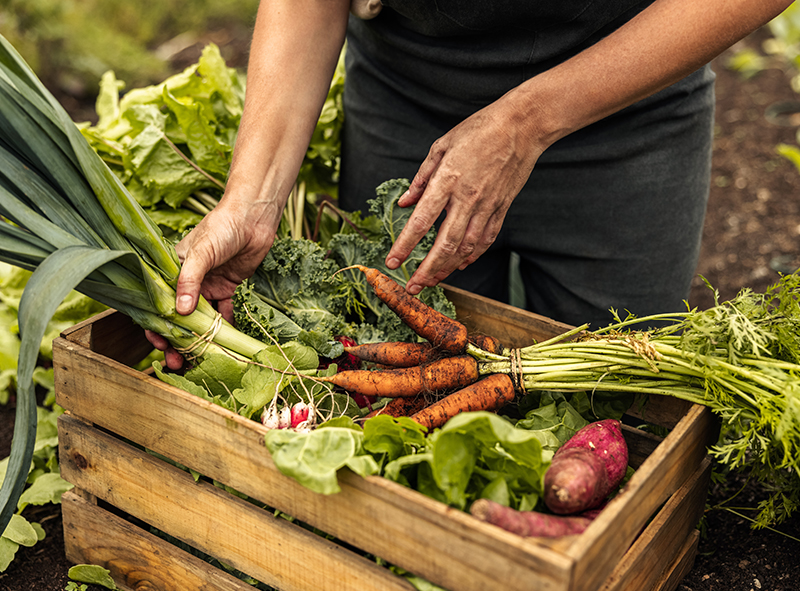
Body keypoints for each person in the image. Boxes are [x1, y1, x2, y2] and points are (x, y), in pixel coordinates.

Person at [147, 0, 792, 368]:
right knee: (385, 373)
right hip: (411, 99)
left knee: (609, 412)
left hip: (627, 111)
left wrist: (527, 121)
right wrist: (254, 200)